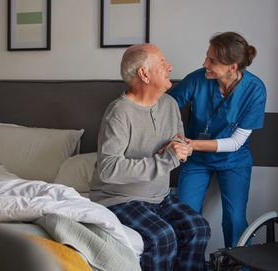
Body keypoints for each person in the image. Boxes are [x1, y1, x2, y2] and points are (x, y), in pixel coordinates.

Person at [90, 43, 211, 271]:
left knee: (199, 228)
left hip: (160, 197)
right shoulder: (119, 113)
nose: (170, 67)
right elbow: (109, 168)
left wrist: (182, 148)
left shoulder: (170, 104)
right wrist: (165, 159)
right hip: (119, 199)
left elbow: (179, 141)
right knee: (162, 237)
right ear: (144, 74)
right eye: (163, 63)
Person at [169, 32, 267, 248]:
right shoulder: (197, 79)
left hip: (233, 159)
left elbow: (235, 142)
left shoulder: (255, 90)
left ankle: (238, 265)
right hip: (196, 160)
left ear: (232, 67)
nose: (205, 63)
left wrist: (192, 144)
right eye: (207, 56)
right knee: (186, 215)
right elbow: (167, 106)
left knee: (235, 219)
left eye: (212, 60)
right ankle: (190, 264)